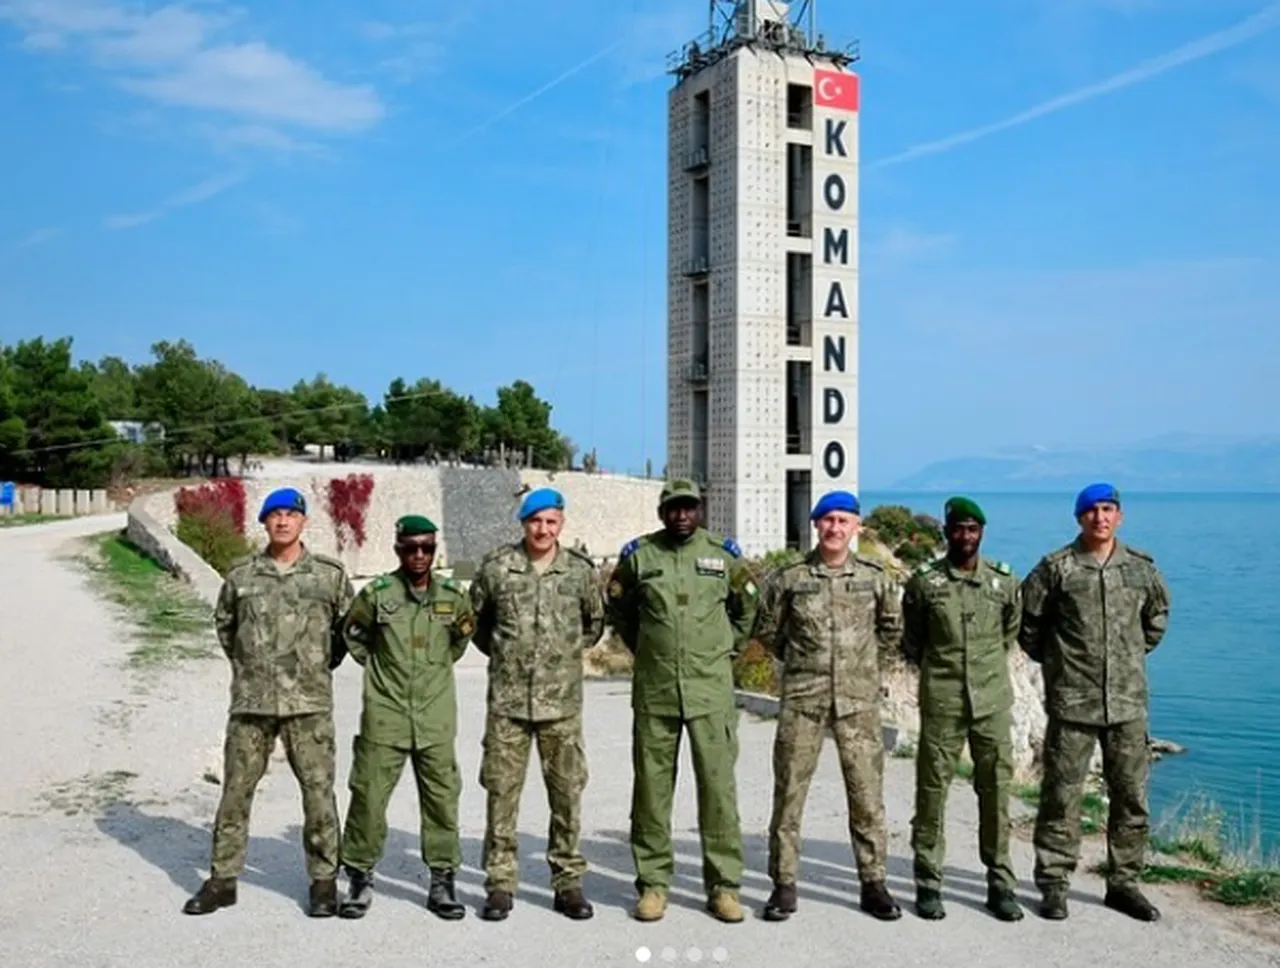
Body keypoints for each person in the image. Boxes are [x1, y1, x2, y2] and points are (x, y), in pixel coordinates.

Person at [183, 487, 354, 917]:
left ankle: (323, 882)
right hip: (252, 703)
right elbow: (226, 626)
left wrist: (315, 667)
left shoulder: (329, 576)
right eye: (274, 515)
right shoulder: (241, 575)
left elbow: (345, 632)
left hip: (308, 704)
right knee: (235, 792)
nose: (282, 521)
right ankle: (223, 879)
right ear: (263, 522)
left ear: (303, 521)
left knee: (318, 794)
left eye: (290, 514)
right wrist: (251, 667)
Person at [605, 479, 759, 924]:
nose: (682, 516)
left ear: (700, 510)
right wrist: (644, 647)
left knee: (718, 790)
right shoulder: (640, 557)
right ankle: (653, 884)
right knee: (652, 792)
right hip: (656, 692)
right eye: (673, 508)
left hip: (710, 692)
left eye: (689, 507)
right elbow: (619, 607)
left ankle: (724, 887)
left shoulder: (723, 556)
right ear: (662, 513)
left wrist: (727, 648)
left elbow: (749, 607)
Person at [1019, 483, 1171, 922]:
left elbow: (1156, 619)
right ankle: (1053, 885)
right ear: (1079, 518)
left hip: (1127, 704)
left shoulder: (1140, 568)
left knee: (1130, 798)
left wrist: (1127, 657)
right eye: (1091, 511)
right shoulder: (1056, 568)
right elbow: (1029, 624)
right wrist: (1059, 664)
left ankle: (1123, 884)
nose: (1100, 518)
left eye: (1107, 509)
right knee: (1061, 797)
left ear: (1119, 516)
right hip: (1073, 704)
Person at [753, 490, 904, 923]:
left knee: (866, 795)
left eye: (843, 521)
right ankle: (783, 884)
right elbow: (767, 628)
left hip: (858, 703)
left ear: (856, 527)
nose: (835, 528)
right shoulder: (790, 578)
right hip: (804, 699)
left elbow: (892, 629)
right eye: (828, 520)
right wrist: (799, 660)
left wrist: (866, 668)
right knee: (789, 794)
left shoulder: (876, 577)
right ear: (816, 525)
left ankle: (873, 883)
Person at [469, 488, 606, 921]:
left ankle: (567, 882)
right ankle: (500, 883)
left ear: (561, 523)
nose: (543, 530)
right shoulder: (497, 568)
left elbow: (593, 624)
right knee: (501, 794)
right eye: (535, 521)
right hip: (508, 704)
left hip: (561, 706)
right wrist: (510, 658)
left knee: (566, 795)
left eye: (550, 522)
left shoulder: (579, 571)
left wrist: (558, 660)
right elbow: (479, 625)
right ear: (523, 523)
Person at [335, 515, 476, 921]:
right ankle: (359, 877)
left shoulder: (452, 595)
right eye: (411, 547)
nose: (419, 555)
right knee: (368, 797)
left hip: (435, 717)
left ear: (435, 550)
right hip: (386, 716)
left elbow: (460, 640)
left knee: (442, 801)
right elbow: (354, 636)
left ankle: (442, 881)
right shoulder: (378, 595)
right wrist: (383, 670)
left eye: (427, 548)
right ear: (398, 549)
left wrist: (432, 670)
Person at [900, 496, 1022, 922]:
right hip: (943, 701)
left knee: (997, 792)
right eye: (957, 529)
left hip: (991, 702)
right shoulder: (925, 584)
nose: (965, 536)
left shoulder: (1003, 582)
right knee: (932, 792)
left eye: (972, 529)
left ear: (981, 533)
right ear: (946, 532)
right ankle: (928, 882)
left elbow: (1009, 633)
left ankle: (1000, 884)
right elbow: (913, 640)